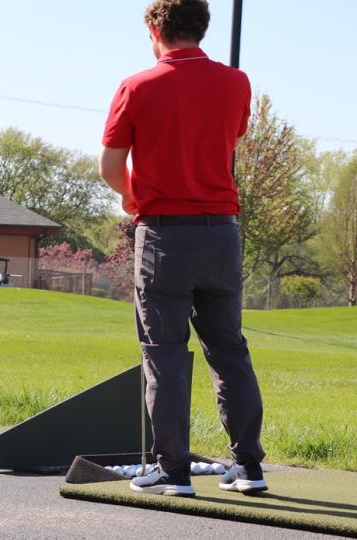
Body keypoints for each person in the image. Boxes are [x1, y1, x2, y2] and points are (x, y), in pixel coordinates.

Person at [99, 0, 266, 497]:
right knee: (230, 350)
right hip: (222, 233)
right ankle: (249, 468)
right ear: (202, 27)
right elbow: (232, 138)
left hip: (165, 234)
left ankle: (172, 471)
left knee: (164, 355)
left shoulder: (137, 86)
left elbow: (110, 166)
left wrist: (135, 199)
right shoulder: (236, 83)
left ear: (154, 28)